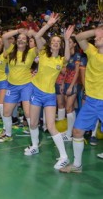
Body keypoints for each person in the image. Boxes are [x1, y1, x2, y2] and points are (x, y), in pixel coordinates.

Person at [24, 13, 74, 170]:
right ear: (50, 44)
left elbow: (68, 56)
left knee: (51, 126)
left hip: (49, 96)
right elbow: (37, 36)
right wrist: (49, 24)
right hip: (36, 92)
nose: (55, 43)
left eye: (58, 42)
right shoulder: (43, 54)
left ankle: (64, 157)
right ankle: (34, 146)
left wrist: (66, 38)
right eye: (54, 41)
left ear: (60, 46)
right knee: (32, 123)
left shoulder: (60, 60)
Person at [60, 25, 103, 173]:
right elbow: (79, 38)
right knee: (77, 131)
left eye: (99, 36)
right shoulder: (91, 51)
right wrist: (96, 31)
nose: (95, 38)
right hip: (91, 101)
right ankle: (77, 165)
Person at [0, 28, 37, 142]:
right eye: (19, 38)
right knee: (6, 112)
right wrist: (18, 31)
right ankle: (8, 135)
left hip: (26, 86)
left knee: (28, 114)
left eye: (24, 38)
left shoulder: (32, 51)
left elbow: (42, 43)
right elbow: (4, 37)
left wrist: (32, 33)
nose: (21, 40)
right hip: (11, 86)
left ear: (27, 41)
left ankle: (35, 143)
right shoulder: (11, 49)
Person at [62, 36, 81, 141]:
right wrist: (62, 84)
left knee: (68, 108)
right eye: (67, 42)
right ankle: (71, 131)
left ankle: (69, 135)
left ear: (74, 44)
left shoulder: (77, 56)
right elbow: (65, 71)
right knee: (70, 108)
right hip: (65, 83)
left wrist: (71, 86)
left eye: (70, 42)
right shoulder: (67, 56)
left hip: (73, 84)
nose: (68, 44)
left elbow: (77, 72)